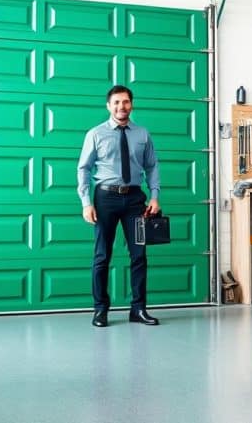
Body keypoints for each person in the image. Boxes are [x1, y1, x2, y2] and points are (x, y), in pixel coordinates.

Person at [77, 85, 161, 327]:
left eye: (125, 102)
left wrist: (154, 196)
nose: (121, 107)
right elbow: (83, 168)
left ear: (131, 104)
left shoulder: (142, 134)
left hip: (135, 199)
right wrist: (86, 203)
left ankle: (138, 310)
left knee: (139, 256)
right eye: (116, 102)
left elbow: (152, 166)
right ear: (108, 105)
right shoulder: (95, 134)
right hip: (105, 199)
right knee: (102, 255)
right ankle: (100, 310)